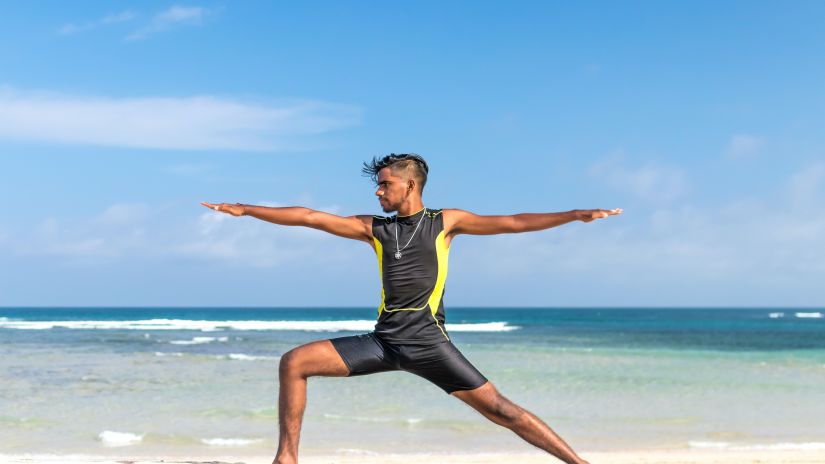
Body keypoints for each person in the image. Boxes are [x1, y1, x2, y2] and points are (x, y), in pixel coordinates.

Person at [201, 153, 621, 464]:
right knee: (294, 362)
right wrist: (247, 209)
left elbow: (511, 222)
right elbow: (310, 217)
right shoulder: (375, 229)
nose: (378, 191)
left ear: (410, 185)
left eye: (384, 184)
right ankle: (287, 458)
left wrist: (573, 215)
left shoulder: (446, 222)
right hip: (383, 343)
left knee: (502, 411)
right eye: (378, 185)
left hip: (428, 344)